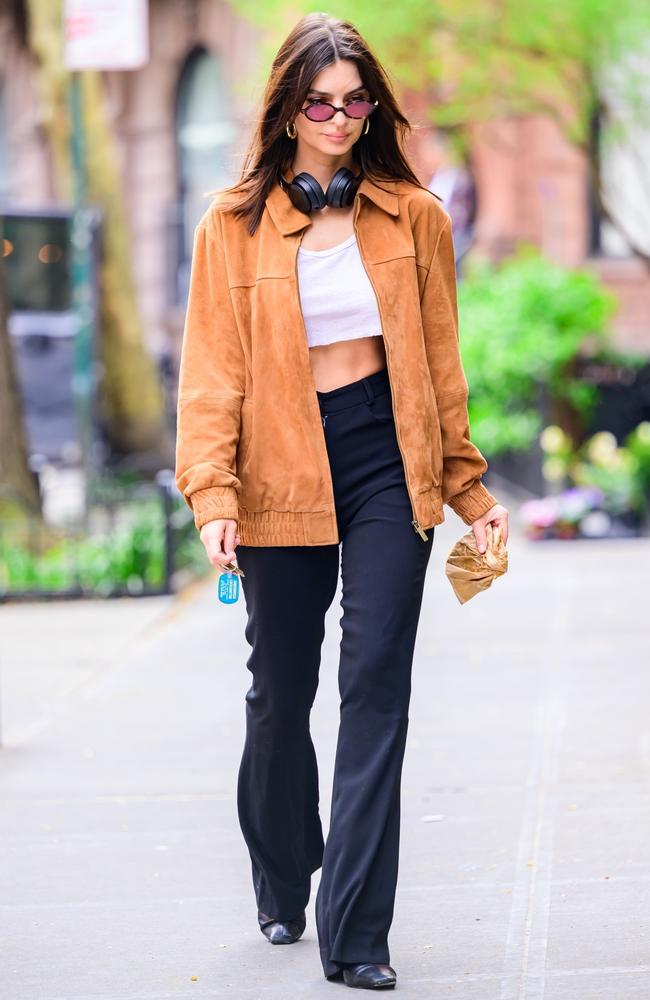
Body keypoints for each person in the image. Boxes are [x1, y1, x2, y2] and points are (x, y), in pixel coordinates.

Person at [174, 12, 509, 991]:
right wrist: (213, 495)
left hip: (380, 460)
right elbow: (209, 378)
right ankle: (281, 868)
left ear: (372, 106)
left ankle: (355, 929)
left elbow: (437, 371)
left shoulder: (414, 218)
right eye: (318, 101)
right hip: (276, 462)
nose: (336, 117)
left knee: (374, 691)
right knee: (281, 695)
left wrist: (467, 489)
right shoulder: (230, 224)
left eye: (354, 100)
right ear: (286, 107)